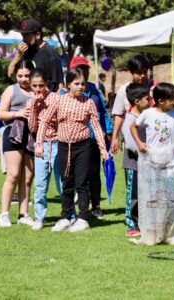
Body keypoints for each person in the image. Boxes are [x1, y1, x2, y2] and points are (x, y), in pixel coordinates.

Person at [35, 68, 108, 233]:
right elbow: (45, 120)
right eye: (76, 83)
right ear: (68, 84)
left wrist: (103, 149)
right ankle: (65, 217)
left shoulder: (88, 102)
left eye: (83, 84)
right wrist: (39, 143)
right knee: (67, 183)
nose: (81, 87)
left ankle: (83, 218)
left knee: (82, 183)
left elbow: (96, 127)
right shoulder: (59, 101)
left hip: (83, 147)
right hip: (62, 146)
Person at [131, 82, 174, 245]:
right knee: (152, 197)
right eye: (172, 98)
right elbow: (133, 127)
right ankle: (152, 235)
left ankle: (169, 234)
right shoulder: (148, 114)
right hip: (151, 162)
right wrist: (139, 143)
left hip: (171, 163)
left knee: (170, 197)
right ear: (160, 100)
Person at [67, 56, 113, 220]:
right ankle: (74, 208)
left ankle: (96, 206)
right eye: (79, 68)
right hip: (74, 140)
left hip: (94, 139)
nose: (83, 71)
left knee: (94, 174)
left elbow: (103, 113)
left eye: (85, 68)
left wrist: (109, 132)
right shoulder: (65, 93)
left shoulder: (94, 90)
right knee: (76, 175)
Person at [0, 59, 35, 227]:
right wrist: (17, 114)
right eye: (20, 76)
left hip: (32, 136)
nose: (24, 79)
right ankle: (3, 215)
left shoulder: (38, 89)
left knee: (27, 177)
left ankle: (23, 214)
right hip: (14, 134)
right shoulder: (11, 90)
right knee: (13, 175)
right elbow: (0, 114)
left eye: (27, 76)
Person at [26, 68, 61, 230]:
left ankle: (69, 214)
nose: (38, 89)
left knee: (62, 182)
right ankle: (39, 217)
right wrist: (33, 106)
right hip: (40, 145)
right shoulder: (31, 101)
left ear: (46, 84)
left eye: (41, 85)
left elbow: (57, 121)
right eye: (34, 86)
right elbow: (33, 127)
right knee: (40, 184)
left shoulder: (55, 98)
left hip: (56, 143)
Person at [121, 83, 150, 237]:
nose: (150, 101)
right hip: (133, 164)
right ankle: (131, 223)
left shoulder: (144, 117)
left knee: (144, 194)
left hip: (146, 164)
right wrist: (146, 152)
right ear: (137, 101)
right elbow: (131, 145)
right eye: (147, 99)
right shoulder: (129, 119)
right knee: (133, 195)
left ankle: (143, 222)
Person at [8, 18, 63, 92]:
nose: (24, 39)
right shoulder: (25, 51)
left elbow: (59, 85)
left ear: (37, 35)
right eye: (23, 35)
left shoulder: (50, 53)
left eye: (27, 35)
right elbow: (10, 74)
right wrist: (18, 54)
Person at [110, 55, 151, 155]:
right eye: (139, 73)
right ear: (131, 72)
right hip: (131, 137)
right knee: (131, 167)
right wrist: (114, 137)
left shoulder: (153, 89)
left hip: (151, 136)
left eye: (145, 72)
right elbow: (119, 115)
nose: (143, 76)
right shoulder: (124, 90)